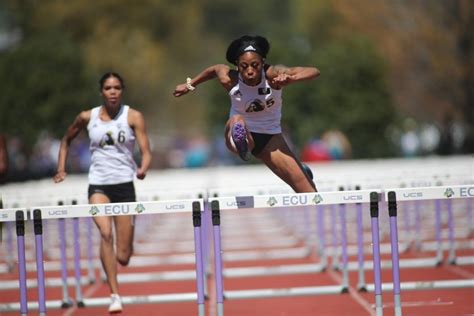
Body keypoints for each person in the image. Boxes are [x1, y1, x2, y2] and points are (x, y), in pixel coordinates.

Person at [53, 72, 152, 313]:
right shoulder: (87, 117)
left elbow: (146, 151)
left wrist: (143, 169)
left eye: (117, 87)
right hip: (98, 185)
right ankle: (114, 294)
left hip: (125, 186)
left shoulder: (133, 116)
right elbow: (66, 140)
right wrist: (61, 168)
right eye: (108, 88)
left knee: (124, 256)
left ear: (122, 91)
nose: (113, 92)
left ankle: (123, 251)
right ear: (101, 92)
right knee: (105, 233)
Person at [174, 35, 319, 192]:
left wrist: (291, 79)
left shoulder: (274, 75)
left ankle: (300, 169)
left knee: (308, 191)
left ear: (262, 63)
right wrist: (189, 85)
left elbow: (314, 72)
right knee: (237, 121)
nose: (250, 71)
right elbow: (214, 70)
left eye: (255, 65)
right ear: (237, 66)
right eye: (244, 66)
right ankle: (241, 141)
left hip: (269, 136)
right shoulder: (230, 79)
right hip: (238, 130)